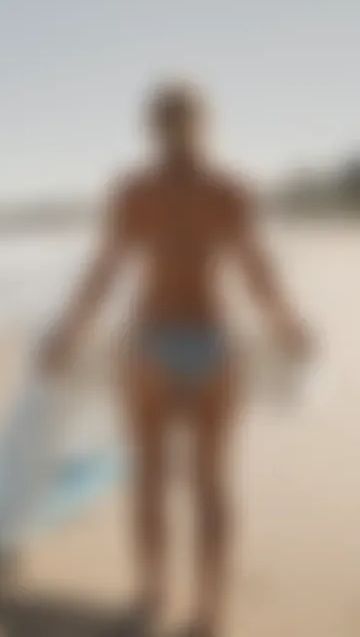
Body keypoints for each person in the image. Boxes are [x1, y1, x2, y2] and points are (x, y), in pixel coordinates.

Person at [41, 81, 310, 636]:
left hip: (151, 342)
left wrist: (68, 333)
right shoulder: (228, 189)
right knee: (212, 482)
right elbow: (256, 270)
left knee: (151, 477)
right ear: (204, 123)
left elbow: (106, 271)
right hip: (212, 339)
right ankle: (209, 611)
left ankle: (151, 595)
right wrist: (286, 324)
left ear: (150, 127)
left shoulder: (135, 191)